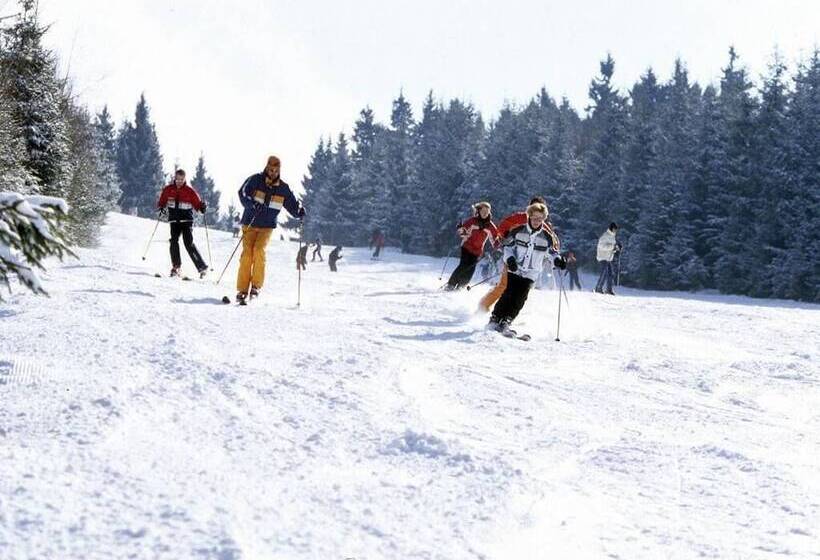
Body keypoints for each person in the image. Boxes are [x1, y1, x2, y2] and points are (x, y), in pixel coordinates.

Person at [235, 155, 305, 302]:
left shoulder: (283, 188)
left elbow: (292, 205)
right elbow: (242, 193)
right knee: (247, 254)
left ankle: (256, 286)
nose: (273, 172)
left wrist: (299, 212)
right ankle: (242, 290)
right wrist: (252, 204)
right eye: (270, 169)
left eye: (276, 170)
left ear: (279, 170)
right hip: (250, 222)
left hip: (267, 226)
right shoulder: (255, 180)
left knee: (259, 251)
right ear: (266, 167)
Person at [489, 202, 565, 334]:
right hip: (515, 268)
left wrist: (558, 260)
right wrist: (510, 259)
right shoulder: (518, 230)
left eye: (540, 219)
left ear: (544, 219)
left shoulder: (547, 236)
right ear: (529, 216)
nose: (537, 221)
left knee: (520, 297)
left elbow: (553, 253)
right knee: (509, 293)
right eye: (534, 218)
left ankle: (507, 320)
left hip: (531, 273)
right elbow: (508, 248)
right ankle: (495, 318)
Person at [478, 196, 560, 311]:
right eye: (534, 209)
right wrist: (505, 237)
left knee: (519, 291)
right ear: (529, 209)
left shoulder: (543, 227)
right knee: (504, 285)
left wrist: (556, 258)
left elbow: (553, 244)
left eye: (540, 210)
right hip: (513, 259)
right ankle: (484, 306)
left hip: (528, 267)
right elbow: (502, 227)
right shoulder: (519, 217)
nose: (536, 215)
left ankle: (507, 312)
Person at [156, 169, 208, 278]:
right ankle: (176, 267)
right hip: (174, 221)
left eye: (181, 179)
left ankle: (202, 267)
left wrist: (202, 207)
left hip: (186, 221)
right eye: (177, 179)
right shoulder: (168, 189)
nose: (179, 181)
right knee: (173, 241)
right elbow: (161, 202)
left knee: (188, 243)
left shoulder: (190, 191)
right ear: (174, 178)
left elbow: (198, 205)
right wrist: (161, 208)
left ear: (185, 179)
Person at [446, 202, 498, 290]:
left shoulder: (490, 226)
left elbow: (494, 240)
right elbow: (463, 232)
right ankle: (451, 284)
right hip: (467, 247)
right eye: (483, 211)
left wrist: (499, 245)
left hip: (477, 251)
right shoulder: (472, 221)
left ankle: (461, 286)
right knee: (463, 265)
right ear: (479, 211)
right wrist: (460, 229)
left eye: (487, 211)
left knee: (471, 270)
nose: (485, 213)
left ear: (489, 212)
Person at [595, 222, 620, 295]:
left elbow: (612, 247)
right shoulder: (605, 236)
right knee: (604, 272)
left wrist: (616, 248)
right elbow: (601, 246)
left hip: (608, 258)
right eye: (615, 229)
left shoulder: (612, 237)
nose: (616, 231)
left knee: (610, 274)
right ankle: (598, 288)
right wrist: (613, 247)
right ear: (612, 228)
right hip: (602, 257)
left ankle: (609, 289)